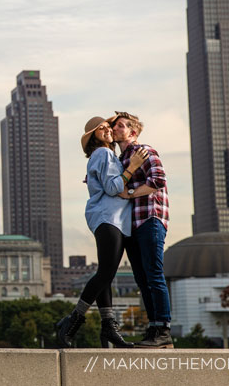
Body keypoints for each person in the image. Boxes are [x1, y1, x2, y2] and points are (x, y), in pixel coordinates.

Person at [56, 116, 149, 348]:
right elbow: (113, 187)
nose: (107, 129)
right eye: (101, 129)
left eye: (108, 126)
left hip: (113, 219)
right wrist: (134, 167)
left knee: (106, 274)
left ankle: (108, 327)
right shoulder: (103, 154)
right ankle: (72, 321)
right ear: (92, 137)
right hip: (108, 218)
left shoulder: (110, 157)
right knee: (106, 273)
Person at [110, 110, 173, 348]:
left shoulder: (144, 151)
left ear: (133, 132)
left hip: (150, 219)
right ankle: (154, 328)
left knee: (154, 275)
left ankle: (163, 329)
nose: (115, 129)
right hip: (133, 225)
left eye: (120, 126)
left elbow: (158, 180)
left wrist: (131, 193)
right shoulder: (121, 160)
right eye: (115, 126)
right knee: (142, 278)